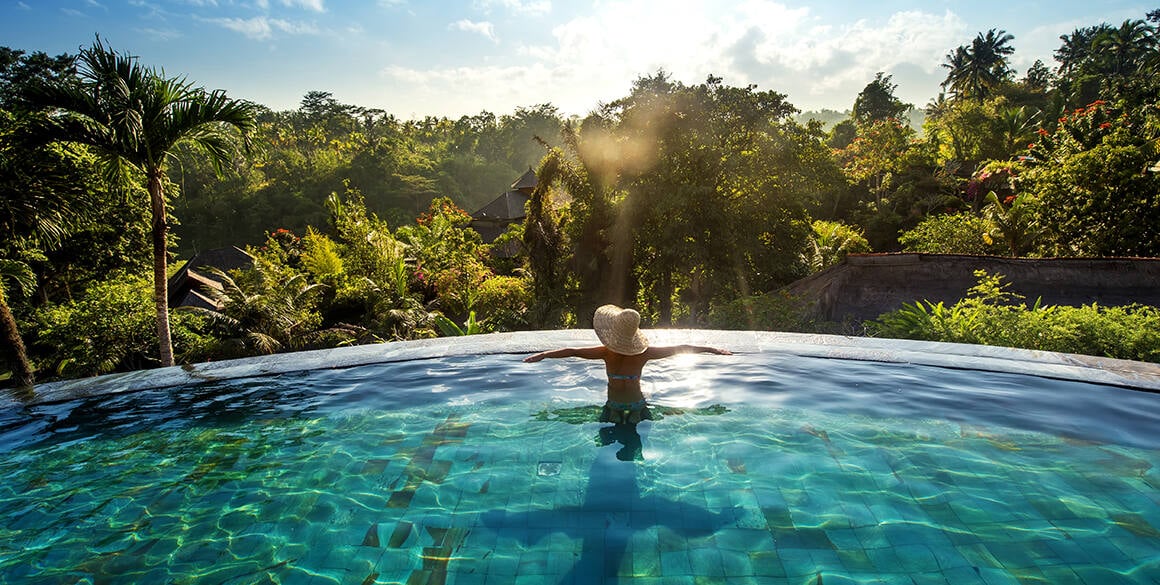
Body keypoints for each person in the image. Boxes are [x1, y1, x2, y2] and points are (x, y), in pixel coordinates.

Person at [523, 304, 732, 425]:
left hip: (613, 406)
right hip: (637, 407)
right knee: (634, 446)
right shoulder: (644, 354)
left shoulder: (605, 352)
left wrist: (543, 355)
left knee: (606, 442)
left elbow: (573, 351)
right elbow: (681, 348)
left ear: (613, 333)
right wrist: (712, 349)